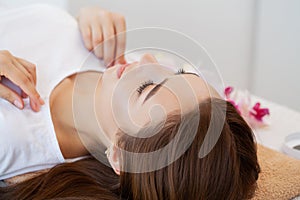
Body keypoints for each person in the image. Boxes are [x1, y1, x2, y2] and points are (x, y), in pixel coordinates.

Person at [0, 4, 260, 200]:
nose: (146, 59)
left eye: (146, 88)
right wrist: (80, 19)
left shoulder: (10, 137)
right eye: (177, 73)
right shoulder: (104, 49)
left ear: (119, 156)